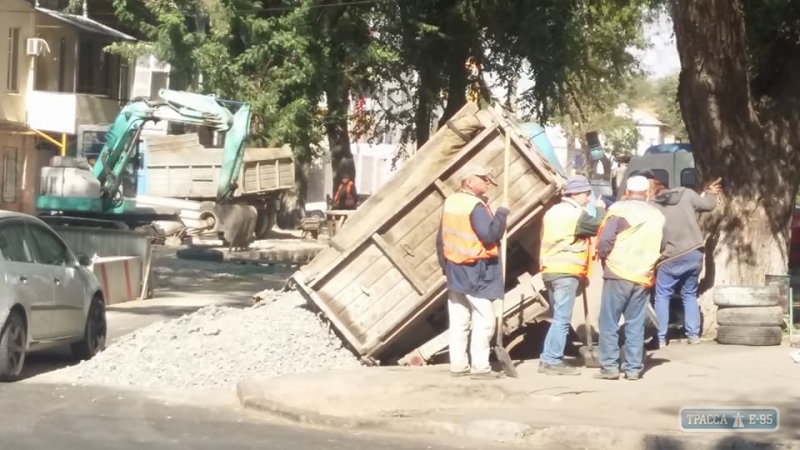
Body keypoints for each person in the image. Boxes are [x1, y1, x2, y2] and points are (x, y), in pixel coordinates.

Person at [436, 165, 509, 380]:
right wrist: (502, 213)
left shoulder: (451, 202)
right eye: (484, 179)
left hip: (455, 268)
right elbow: (489, 235)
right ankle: (481, 367)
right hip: (476, 269)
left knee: (459, 319)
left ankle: (458, 365)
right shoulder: (475, 206)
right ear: (469, 182)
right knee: (485, 319)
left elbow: (440, 238)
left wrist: (445, 266)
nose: (488, 183)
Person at [594, 175, 665, 380]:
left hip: (618, 271)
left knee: (609, 321)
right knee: (635, 323)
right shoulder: (656, 215)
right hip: (643, 274)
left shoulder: (618, 210)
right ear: (647, 192)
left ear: (626, 191)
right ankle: (633, 368)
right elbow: (663, 243)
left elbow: (605, 239)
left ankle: (609, 367)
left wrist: (605, 257)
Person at [538, 175, 607, 376]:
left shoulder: (552, 212)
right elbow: (595, 226)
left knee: (557, 317)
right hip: (566, 270)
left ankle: (547, 358)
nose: (588, 199)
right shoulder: (574, 214)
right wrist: (601, 208)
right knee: (562, 319)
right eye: (586, 195)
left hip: (550, 269)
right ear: (575, 194)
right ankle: (552, 360)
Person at [646, 172, 722, 346]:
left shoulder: (651, 206)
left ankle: (661, 337)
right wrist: (710, 192)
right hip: (694, 251)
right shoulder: (686, 194)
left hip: (671, 256)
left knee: (662, 295)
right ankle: (693, 335)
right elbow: (708, 205)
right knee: (689, 294)